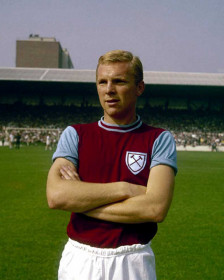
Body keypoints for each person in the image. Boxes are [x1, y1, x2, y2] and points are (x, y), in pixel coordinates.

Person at [46, 50, 177, 280]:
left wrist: (81, 201)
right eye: (102, 82)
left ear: (139, 88)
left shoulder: (159, 139)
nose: (109, 89)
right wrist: (124, 189)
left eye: (119, 81)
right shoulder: (75, 135)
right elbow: (56, 196)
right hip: (79, 260)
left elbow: (154, 208)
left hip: (132, 260)